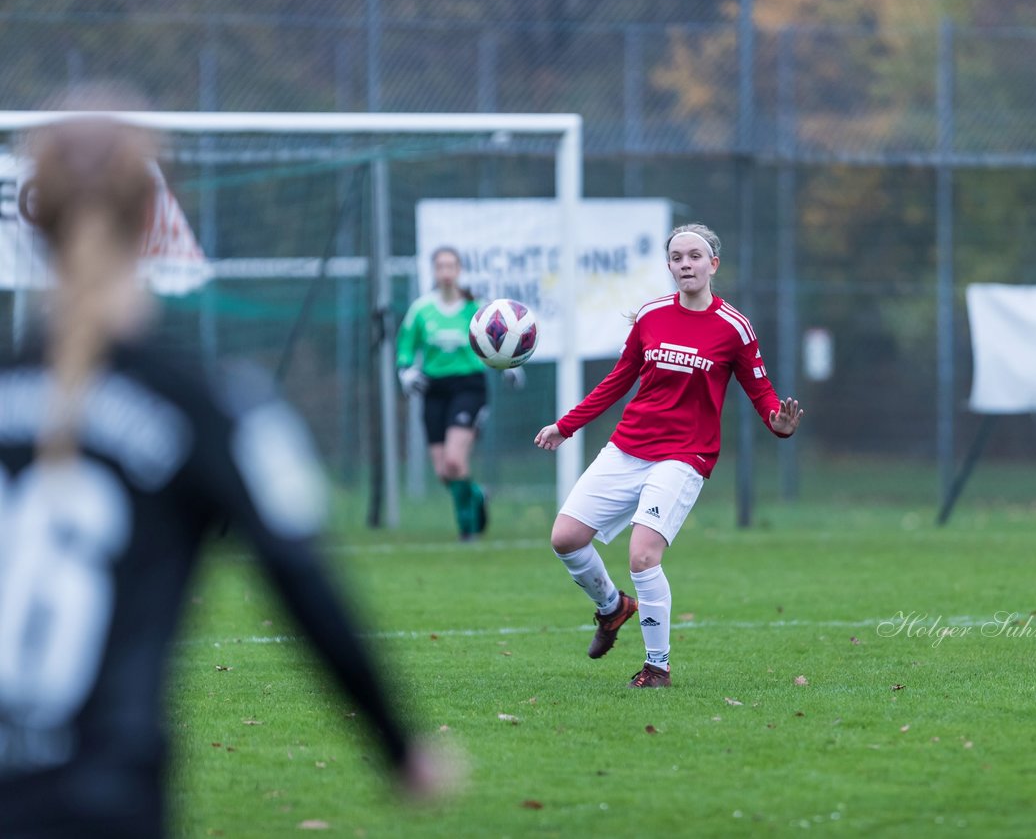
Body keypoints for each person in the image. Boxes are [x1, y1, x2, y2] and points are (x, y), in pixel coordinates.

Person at [0, 112, 459, 839]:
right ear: (155, 218)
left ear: (33, 222)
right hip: (103, 795)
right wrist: (398, 746)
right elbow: (298, 574)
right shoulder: (213, 402)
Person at [533, 223, 804, 688]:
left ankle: (657, 666)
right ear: (669, 266)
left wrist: (776, 423)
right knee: (565, 538)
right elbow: (618, 380)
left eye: (695, 256)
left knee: (642, 555)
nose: (685, 264)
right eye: (677, 257)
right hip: (628, 447)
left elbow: (760, 389)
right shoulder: (651, 316)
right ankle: (612, 609)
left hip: (685, 455)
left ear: (713, 264)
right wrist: (566, 425)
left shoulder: (733, 328)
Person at [396, 247, 522, 541]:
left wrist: (509, 367)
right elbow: (405, 346)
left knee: (455, 460)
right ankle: (477, 495)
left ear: (459, 269)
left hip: (468, 387)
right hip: (434, 389)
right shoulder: (421, 309)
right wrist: (406, 371)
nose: (446, 272)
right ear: (434, 271)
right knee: (443, 472)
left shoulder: (475, 308)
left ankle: (468, 531)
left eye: (451, 266)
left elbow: (497, 342)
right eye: (440, 266)